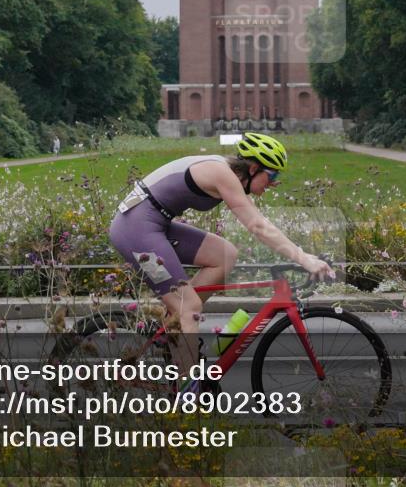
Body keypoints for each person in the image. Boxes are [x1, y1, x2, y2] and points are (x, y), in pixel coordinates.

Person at [108, 132, 335, 390]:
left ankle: (174, 326)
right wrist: (304, 258)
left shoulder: (228, 173)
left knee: (225, 255)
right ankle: (186, 396)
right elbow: (257, 225)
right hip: (134, 229)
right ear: (252, 168)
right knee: (189, 305)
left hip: (153, 223)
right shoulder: (222, 174)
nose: (273, 184)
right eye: (272, 176)